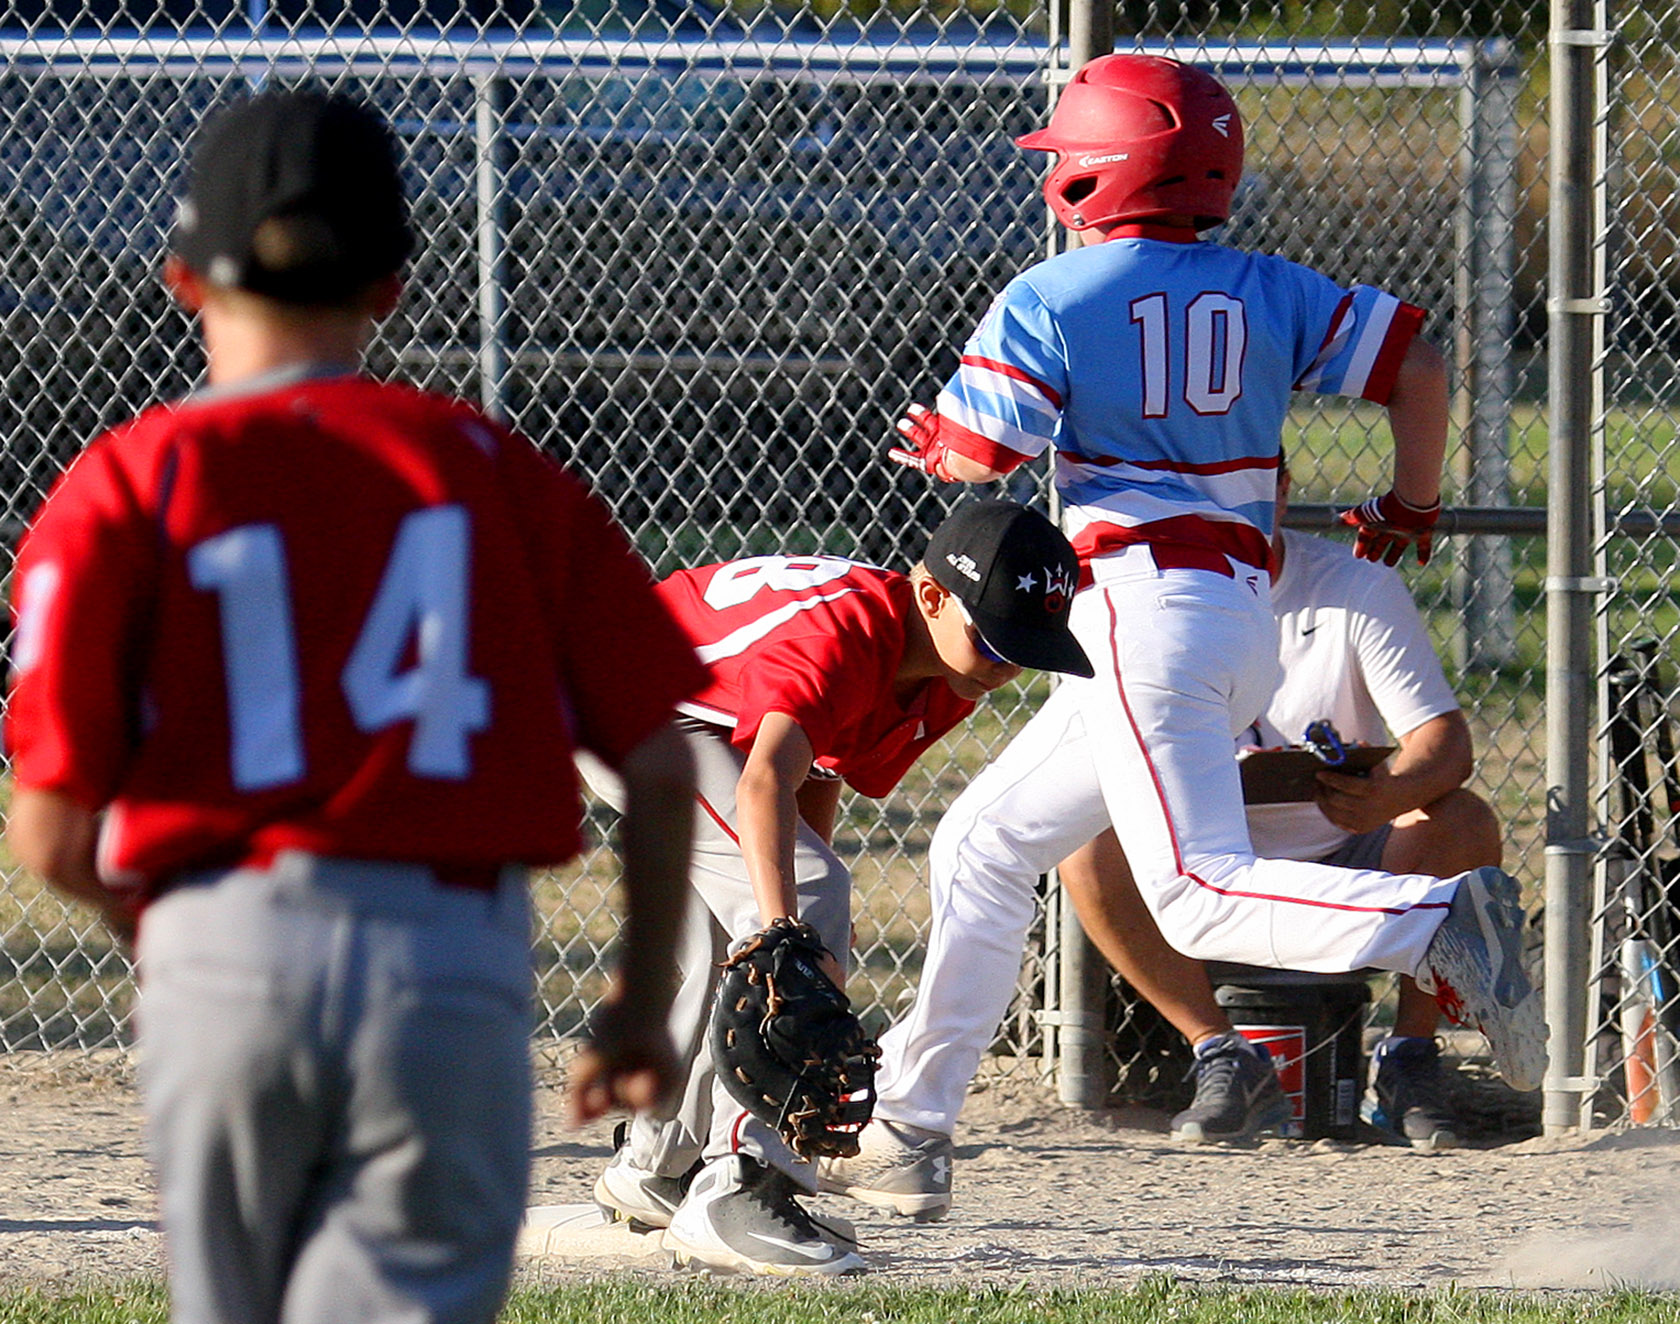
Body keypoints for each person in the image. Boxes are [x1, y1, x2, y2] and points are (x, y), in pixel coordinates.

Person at [3, 89, 707, 1324]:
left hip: (220, 951)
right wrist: (639, 1002)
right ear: (390, 286)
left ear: (180, 280)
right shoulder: (493, 470)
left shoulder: (122, 481)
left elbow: (52, 835)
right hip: (445, 964)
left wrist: (167, 936)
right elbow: (656, 765)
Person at [819, 53, 1542, 1223]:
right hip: (1229, 612)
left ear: (1095, 176)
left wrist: (938, 443)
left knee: (1200, 891)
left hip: (1139, 613)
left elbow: (978, 461)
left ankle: (1441, 920)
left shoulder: (1054, 294)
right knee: (984, 841)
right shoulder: (1270, 284)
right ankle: (910, 1125)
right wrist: (1411, 501)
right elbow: (1416, 360)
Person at [581, 499, 1093, 1276]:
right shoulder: (849, 634)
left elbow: (813, 773)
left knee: (758, 929)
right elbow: (762, 782)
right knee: (790, 922)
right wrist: (790, 921)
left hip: (679, 705)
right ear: (931, 595)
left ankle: (658, 1169)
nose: (1006, 665)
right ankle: (741, 1186)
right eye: (993, 638)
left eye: (1025, 647)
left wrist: (791, 913)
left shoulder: (947, 676)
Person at [1057, 457, 1502, 1151]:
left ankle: (1410, 1056)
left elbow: (1444, 743)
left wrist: (1386, 795)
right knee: (1085, 847)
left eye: (1244, 492)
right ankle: (1221, 1052)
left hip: (1345, 840)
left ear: (1283, 491)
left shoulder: (1353, 586)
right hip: (1194, 849)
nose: (1220, 512)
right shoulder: (1131, 600)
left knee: (1463, 823)